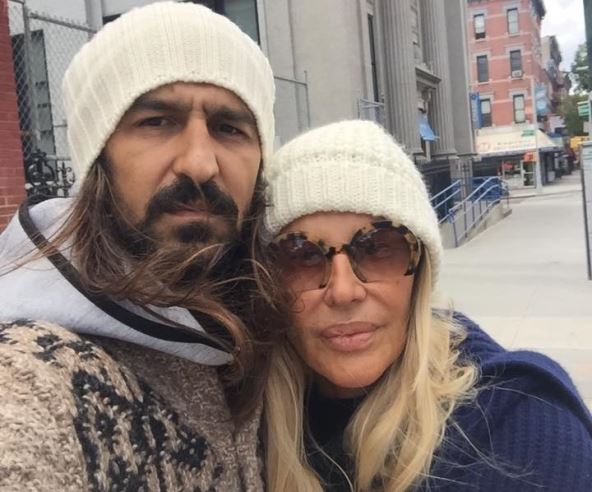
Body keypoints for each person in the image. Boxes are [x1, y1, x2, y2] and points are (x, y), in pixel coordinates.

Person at [0, 2, 280, 490]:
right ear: (97, 157)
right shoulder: (35, 380)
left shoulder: (261, 330)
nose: (200, 163)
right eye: (157, 121)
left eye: (229, 128)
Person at [260, 120, 592, 491]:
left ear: (421, 272)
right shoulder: (240, 426)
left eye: (377, 248)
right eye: (301, 256)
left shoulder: (521, 424)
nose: (343, 291)